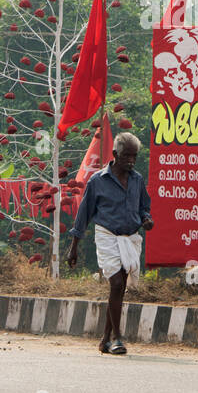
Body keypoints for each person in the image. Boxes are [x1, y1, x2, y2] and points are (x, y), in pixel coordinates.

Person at [66, 132, 154, 354]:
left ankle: (105, 339)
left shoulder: (137, 180)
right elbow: (83, 215)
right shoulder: (98, 180)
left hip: (129, 239)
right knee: (116, 284)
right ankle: (117, 338)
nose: (131, 161)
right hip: (106, 236)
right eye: (127, 156)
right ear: (115, 154)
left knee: (119, 289)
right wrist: (73, 247)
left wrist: (146, 219)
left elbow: (144, 206)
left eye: (134, 157)